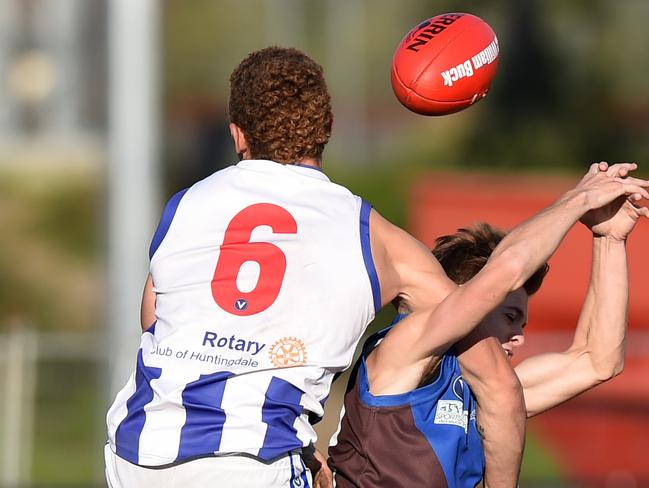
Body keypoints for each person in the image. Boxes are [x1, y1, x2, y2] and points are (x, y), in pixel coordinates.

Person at [103, 46, 532, 488]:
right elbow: (496, 384)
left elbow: (154, 321)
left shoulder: (185, 205)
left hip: (137, 453)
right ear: (327, 128)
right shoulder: (377, 239)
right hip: (255, 461)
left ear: (237, 135)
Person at [328, 164, 649, 487]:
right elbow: (509, 267)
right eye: (509, 317)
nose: (520, 337)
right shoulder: (403, 347)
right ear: (470, 300)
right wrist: (579, 199)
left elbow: (596, 361)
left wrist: (609, 239)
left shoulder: (484, 391)